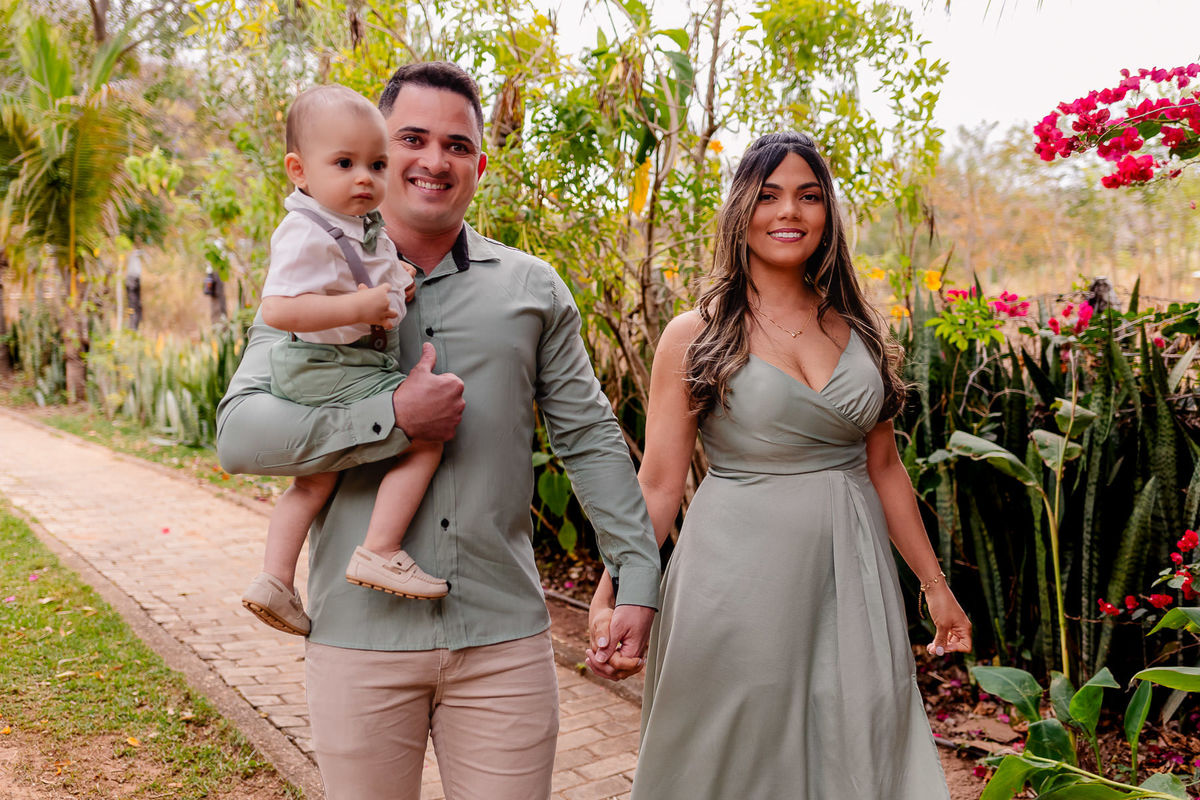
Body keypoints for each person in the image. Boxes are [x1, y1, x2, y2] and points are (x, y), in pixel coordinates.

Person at [216, 61, 661, 800]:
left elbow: (588, 437)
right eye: (412, 139)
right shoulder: (316, 282)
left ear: (479, 165)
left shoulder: (532, 289)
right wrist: (391, 418)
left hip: (502, 641)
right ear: (381, 154)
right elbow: (241, 435)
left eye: (457, 145)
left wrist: (638, 578)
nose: (434, 160)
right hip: (359, 640)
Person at [585, 131, 972, 799]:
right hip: (732, 581)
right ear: (741, 209)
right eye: (768, 196)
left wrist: (934, 586)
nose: (788, 212)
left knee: (857, 744)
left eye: (808, 196)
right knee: (731, 757)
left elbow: (885, 470)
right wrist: (615, 592)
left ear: (827, 215)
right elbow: (657, 484)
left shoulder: (862, 331)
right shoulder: (695, 333)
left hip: (852, 580)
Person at [240, 84, 448, 638]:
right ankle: (380, 548)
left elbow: (365, 279)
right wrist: (359, 304)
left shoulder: (359, 227)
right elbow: (279, 309)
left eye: (377, 164)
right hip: (329, 363)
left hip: (334, 359)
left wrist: (392, 286)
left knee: (313, 483)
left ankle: (274, 580)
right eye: (345, 163)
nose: (365, 177)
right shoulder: (304, 230)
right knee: (426, 435)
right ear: (299, 171)